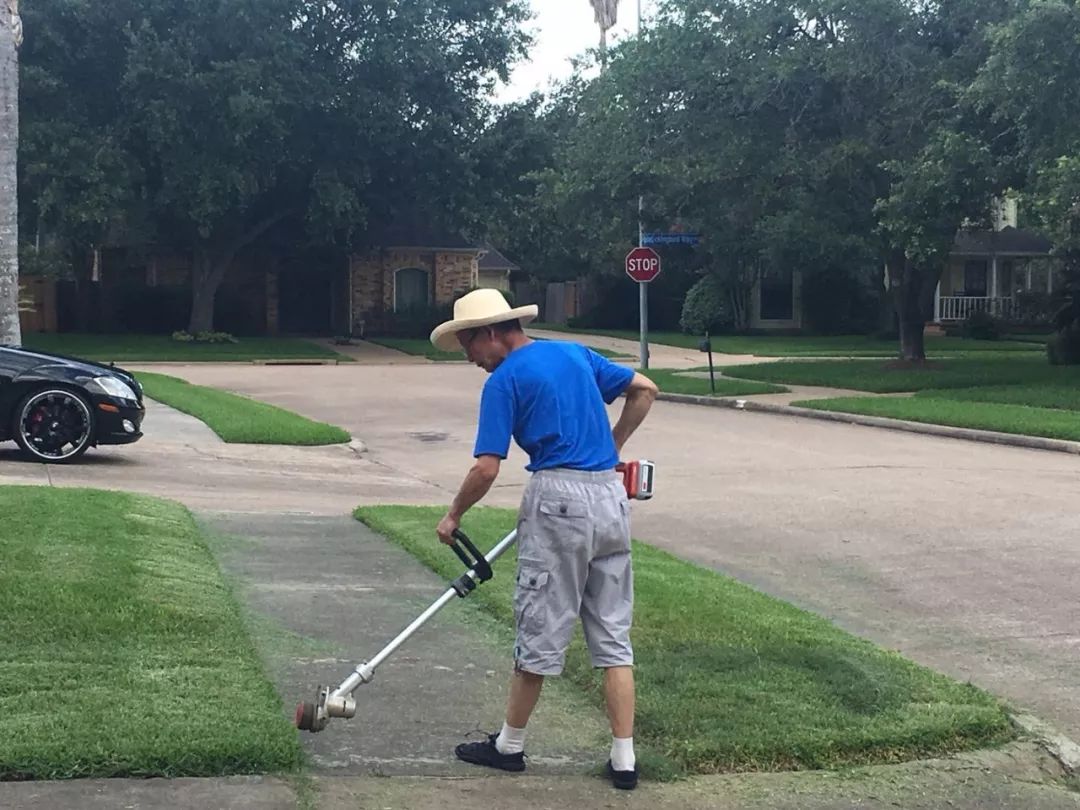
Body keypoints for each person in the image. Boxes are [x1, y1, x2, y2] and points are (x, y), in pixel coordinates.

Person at [429, 288, 658, 791]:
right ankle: (624, 759)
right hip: (609, 497)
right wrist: (611, 445)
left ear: (491, 333)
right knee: (613, 634)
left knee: (541, 622)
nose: (469, 358)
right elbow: (644, 388)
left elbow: (487, 467)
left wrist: (453, 515)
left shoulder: (505, 381)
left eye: (469, 344)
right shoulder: (574, 353)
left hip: (557, 496)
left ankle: (509, 746)